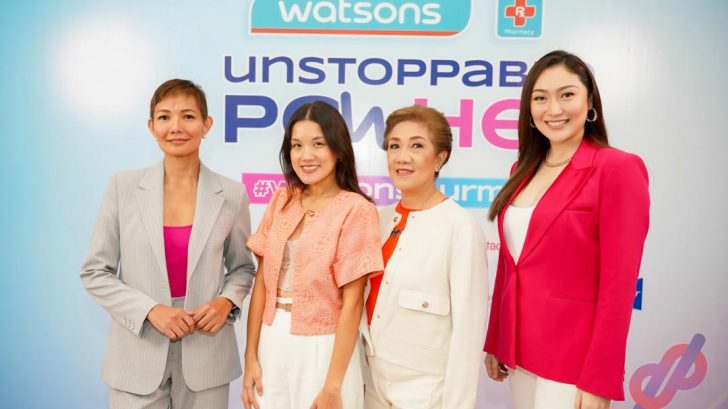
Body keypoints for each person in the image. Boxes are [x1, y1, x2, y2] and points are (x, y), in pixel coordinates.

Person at [483, 50, 650, 409]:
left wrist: (599, 378)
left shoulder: (617, 168)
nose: (554, 109)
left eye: (567, 95)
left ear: (590, 102)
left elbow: (618, 286)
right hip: (520, 352)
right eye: (540, 98)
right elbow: (510, 267)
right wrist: (496, 339)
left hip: (574, 360)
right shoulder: (522, 169)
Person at [80, 79, 256, 408]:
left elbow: (243, 268)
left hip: (207, 354)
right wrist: (150, 311)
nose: (176, 127)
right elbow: (95, 272)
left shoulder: (232, 194)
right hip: (137, 355)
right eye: (164, 117)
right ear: (151, 126)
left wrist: (225, 302)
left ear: (207, 124)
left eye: (188, 116)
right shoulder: (123, 187)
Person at [242, 101, 383, 409]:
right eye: (297, 145)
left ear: (338, 149)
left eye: (318, 144)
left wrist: (333, 385)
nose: (306, 156)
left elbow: (352, 303)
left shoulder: (356, 209)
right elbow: (262, 284)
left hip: (325, 344)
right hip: (272, 338)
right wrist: (250, 356)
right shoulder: (282, 199)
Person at [362, 104, 489, 409]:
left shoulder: (460, 226)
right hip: (371, 381)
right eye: (394, 146)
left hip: (427, 390)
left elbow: (468, 333)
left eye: (416, 146)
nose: (402, 157)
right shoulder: (376, 219)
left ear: (440, 158)